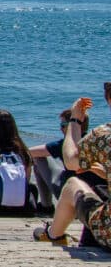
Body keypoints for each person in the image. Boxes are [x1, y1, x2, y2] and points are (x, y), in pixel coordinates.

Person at [33, 92, 111, 248]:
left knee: (73, 184)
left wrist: (75, 120)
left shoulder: (104, 135)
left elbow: (71, 161)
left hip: (108, 233)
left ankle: (53, 235)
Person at [28, 108, 102, 215]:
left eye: (63, 125)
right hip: (95, 195)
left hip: (70, 193)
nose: (60, 129)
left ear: (72, 124)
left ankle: (46, 206)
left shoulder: (64, 144)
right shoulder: (94, 143)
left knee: (39, 159)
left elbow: (30, 152)